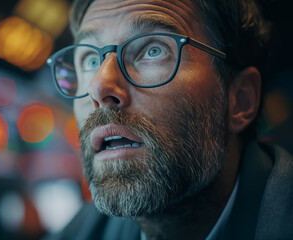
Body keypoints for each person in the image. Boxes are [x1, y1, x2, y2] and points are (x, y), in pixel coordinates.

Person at [45, 0, 293, 239]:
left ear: (240, 100)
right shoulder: (82, 231)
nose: (99, 87)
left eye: (153, 50)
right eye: (90, 60)